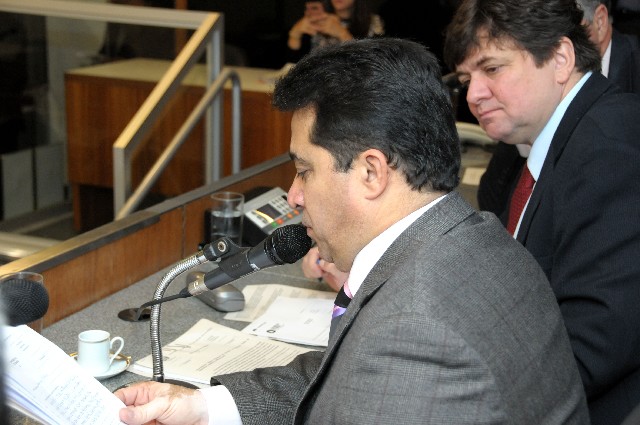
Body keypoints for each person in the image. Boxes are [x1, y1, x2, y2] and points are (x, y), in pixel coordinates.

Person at [115, 37, 589, 424]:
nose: (294, 195)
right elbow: (346, 371)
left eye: (304, 170)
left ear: (371, 172)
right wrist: (205, 407)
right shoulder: (477, 239)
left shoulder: (415, 333)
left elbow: (379, 367)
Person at [443, 0, 640, 423]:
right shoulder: (546, 141)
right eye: (466, 79)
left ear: (560, 58)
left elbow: (588, 350)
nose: (473, 95)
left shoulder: (611, 148)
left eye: (492, 69)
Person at [476, 0, 640, 218]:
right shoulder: (532, 89)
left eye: (568, 27)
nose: (546, 45)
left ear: (600, 22)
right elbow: (493, 199)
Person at [286, 0, 383, 60]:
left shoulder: (374, 23)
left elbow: (372, 63)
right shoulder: (319, 17)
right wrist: (295, 34)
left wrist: (342, 34)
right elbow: (293, 63)